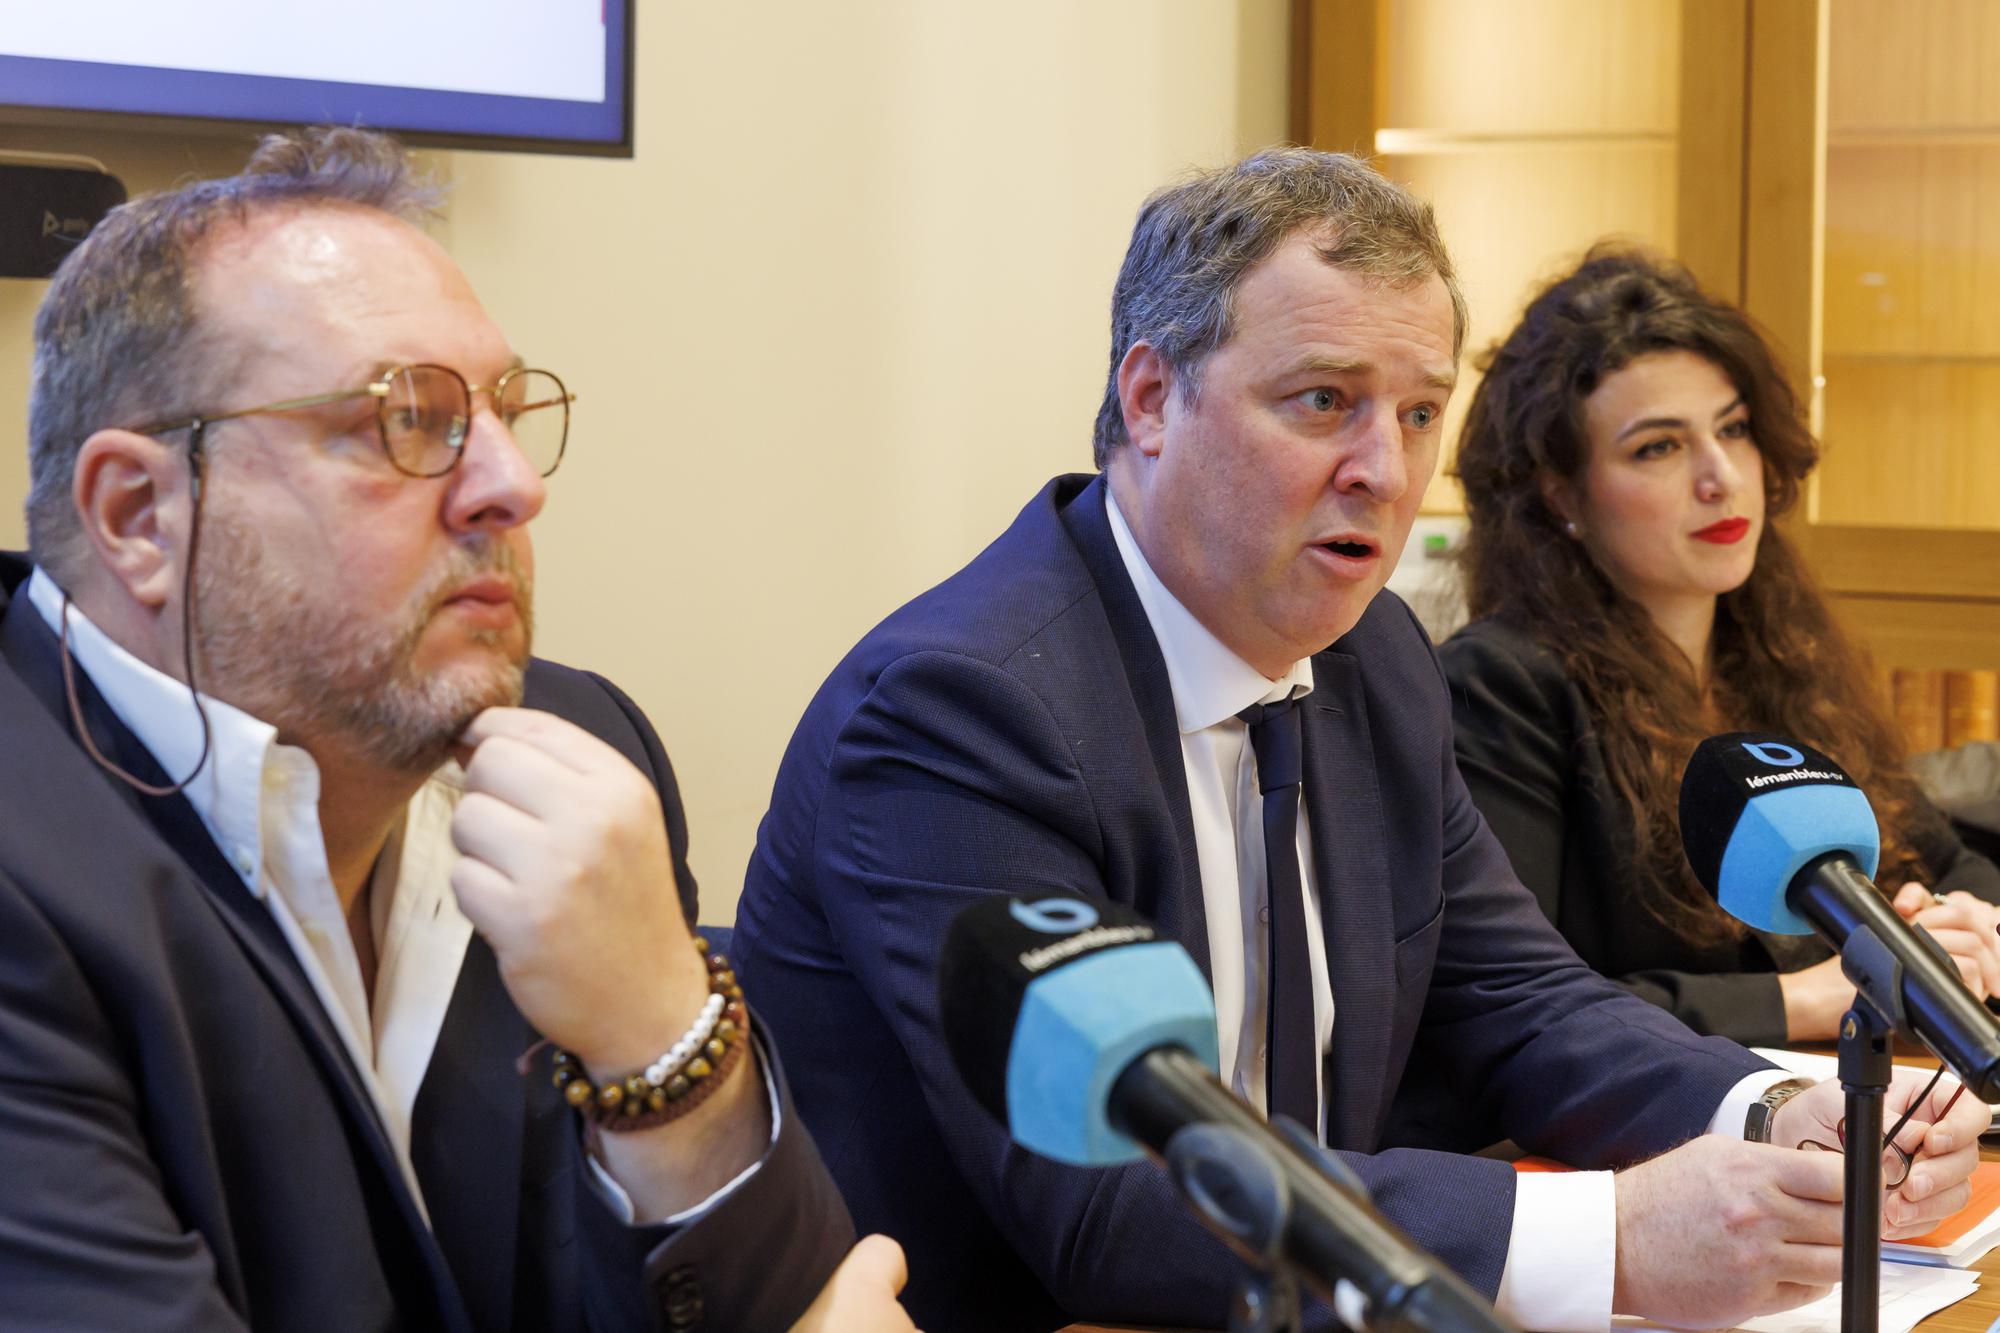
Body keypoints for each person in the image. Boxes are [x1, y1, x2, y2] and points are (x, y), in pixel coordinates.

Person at [733, 149, 1988, 1333]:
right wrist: (1612, 1233)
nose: (1383, 472)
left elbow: (1519, 997)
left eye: (1419, 412)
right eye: (1322, 402)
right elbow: (1110, 1199)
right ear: (1152, 396)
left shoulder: (1372, 658)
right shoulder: (956, 709)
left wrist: (1773, 1111)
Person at [0, 128, 915, 1332]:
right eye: (406, 418)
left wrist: (665, 1050)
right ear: (139, 513)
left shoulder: (578, 752)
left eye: (504, 411)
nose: (512, 486)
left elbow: (769, 1298)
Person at [1443, 247, 2000, 1048]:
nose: (1720, 477)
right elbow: (1517, 1006)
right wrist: (1824, 990)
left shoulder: (1784, 656)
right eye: (1658, 447)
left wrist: (1946, 923)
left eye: (1733, 429)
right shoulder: (1503, 685)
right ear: (1560, 493)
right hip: (1640, 1149)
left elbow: (1949, 858)